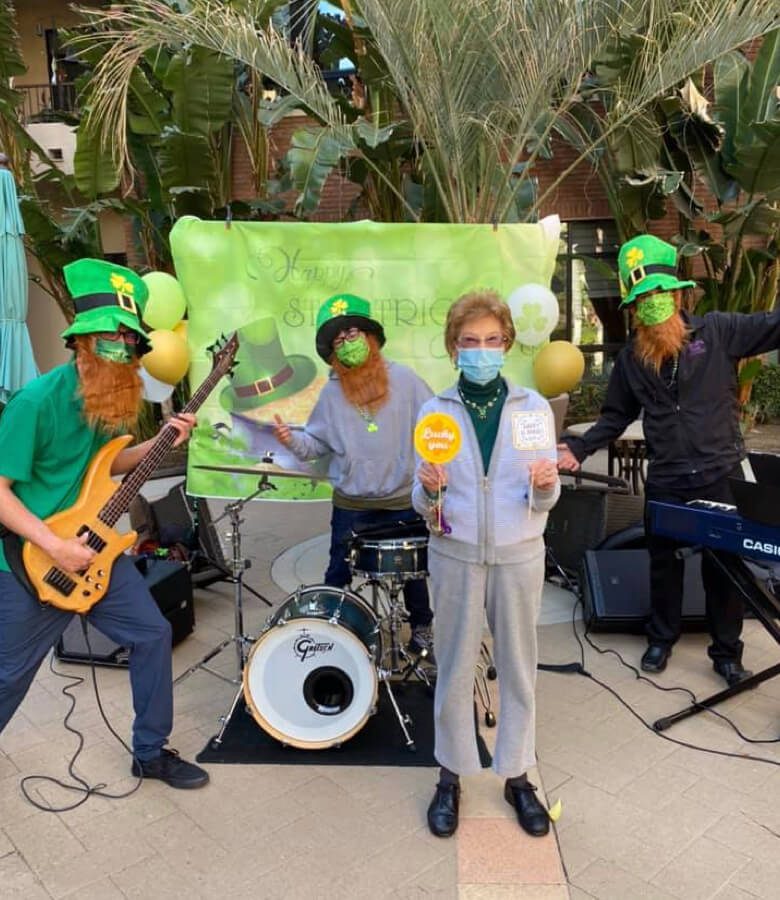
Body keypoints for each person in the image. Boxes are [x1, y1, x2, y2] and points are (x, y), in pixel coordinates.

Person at [0, 259, 208, 790]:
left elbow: (107, 464)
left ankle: (150, 752)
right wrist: (55, 545)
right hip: (33, 561)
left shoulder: (105, 400)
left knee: (153, 634)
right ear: (81, 341)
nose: (122, 349)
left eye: (129, 340)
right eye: (110, 337)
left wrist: (163, 440)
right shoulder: (34, 404)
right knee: (8, 677)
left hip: (95, 548)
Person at [558, 233, 780, 685]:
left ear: (679, 295)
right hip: (668, 478)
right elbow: (614, 417)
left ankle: (727, 653)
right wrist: (577, 449)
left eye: (660, 293)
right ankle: (661, 638)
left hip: (721, 473)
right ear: (633, 309)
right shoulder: (630, 362)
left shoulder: (719, 331)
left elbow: (775, 324)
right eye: (643, 299)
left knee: (726, 567)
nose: (653, 304)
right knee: (664, 565)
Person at [412, 290, 560, 838]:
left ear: (507, 345)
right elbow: (420, 500)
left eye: (491, 341)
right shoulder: (436, 412)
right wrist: (429, 492)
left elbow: (545, 491)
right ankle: (450, 774)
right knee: (453, 667)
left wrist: (546, 489)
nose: (481, 350)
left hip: (520, 554)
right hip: (455, 555)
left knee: (520, 666)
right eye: (470, 342)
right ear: (454, 348)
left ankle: (517, 776)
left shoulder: (531, 408)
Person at [274, 293, 435, 653]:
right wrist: (291, 439)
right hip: (352, 504)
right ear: (332, 353)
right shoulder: (330, 395)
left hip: (402, 500)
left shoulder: (406, 380)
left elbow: (436, 426)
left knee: (413, 574)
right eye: (338, 339)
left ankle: (422, 627)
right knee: (337, 572)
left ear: (370, 336)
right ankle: (335, 632)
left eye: (352, 333)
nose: (348, 342)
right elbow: (315, 445)